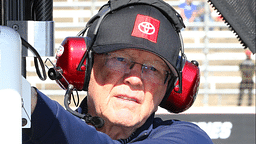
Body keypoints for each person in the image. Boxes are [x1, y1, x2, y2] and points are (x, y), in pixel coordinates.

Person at [23, 0, 213, 143]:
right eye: (120, 59)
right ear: (86, 66)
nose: (135, 79)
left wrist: (36, 109)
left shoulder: (189, 138)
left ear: (169, 88)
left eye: (153, 68)